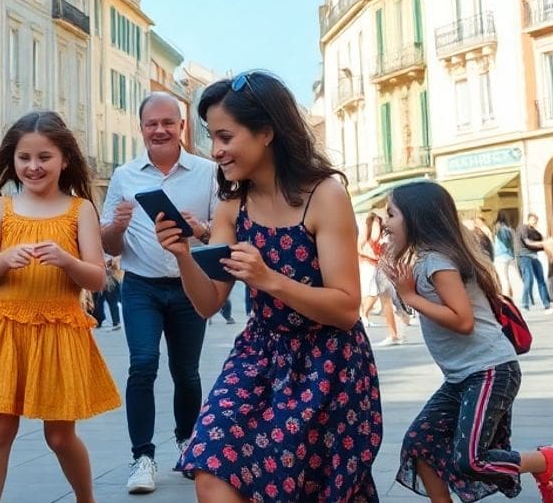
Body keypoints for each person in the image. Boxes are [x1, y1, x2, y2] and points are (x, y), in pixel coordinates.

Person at [163, 72, 382, 501]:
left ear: (266, 132)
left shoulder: (324, 195)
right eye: (211, 137)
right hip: (259, 356)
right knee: (209, 467)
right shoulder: (232, 204)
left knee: (308, 491)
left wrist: (269, 280)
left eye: (225, 136)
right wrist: (182, 256)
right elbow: (209, 303)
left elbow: (345, 308)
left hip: (329, 365)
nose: (216, 150)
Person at [0, 110, 119, 503]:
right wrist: (5, 260)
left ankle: (86, 498)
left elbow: (97, 277)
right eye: (24, 158)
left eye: (44, 157)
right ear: (13, 160)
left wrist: (67, 260)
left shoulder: (80, 210)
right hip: (8, 329)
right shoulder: (0, 208)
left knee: (60, 435)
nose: (33, 166)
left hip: (60, 330)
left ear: (64, 159)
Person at [382, 181, 553, 503]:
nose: (384, 222)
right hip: (463, 377)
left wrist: (410, 295)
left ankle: (547, 461)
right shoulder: (424, 259)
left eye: (391, 214)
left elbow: (463, 321)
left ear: (416, 217)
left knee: (471, 459)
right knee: (419, 442)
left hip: (490, 370)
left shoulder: (437, 262)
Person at [100, 92, 217, 494]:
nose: (160, 130)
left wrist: (200, 229)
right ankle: (142, 457)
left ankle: (188, 442)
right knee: (143, 365)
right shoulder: (124, 175)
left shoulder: (208, 172)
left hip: (190, 286)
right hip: (141, 287)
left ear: (182, 127)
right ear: (141, 128)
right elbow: (111, 246)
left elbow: (224, 234)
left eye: (169, 122)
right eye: (152, 123)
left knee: (186, 372)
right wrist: (115, 226)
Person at [359, 212, 403, 347]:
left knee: (385, 298)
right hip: (376, 265)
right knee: (383, 298)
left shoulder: (386, 233)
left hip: (384, 266)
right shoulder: (371, 234)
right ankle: (394, 332)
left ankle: (394, 333)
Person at [515, 214, 553, 313]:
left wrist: (550, 252)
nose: (534, 222)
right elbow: (527, 242)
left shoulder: (536, 232)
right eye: (533, 220)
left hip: (534, 257)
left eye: (536, 221)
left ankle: (547, 305)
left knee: (541, 280)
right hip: (524, 256)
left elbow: (544, 243)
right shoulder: (522, 228)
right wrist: (543, 243)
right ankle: (525, 305)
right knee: (528, 279)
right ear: (528, 219)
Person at [491, 213, 523, 302]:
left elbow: (501, 244)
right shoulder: (510, 229)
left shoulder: (498, 228)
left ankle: (506, 297)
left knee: (503, 278)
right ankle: (519, 296)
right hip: (510, 256)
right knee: (514, 277)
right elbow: (512, 244)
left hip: (500, 257)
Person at [93, 254, 123, 329]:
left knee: (112, 301)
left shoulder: (111, 250)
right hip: (99, 277)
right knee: (98, 301)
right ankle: (98, 321)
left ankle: (116, 321)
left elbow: (118, 259)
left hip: (111, 278)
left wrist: (110, 263)